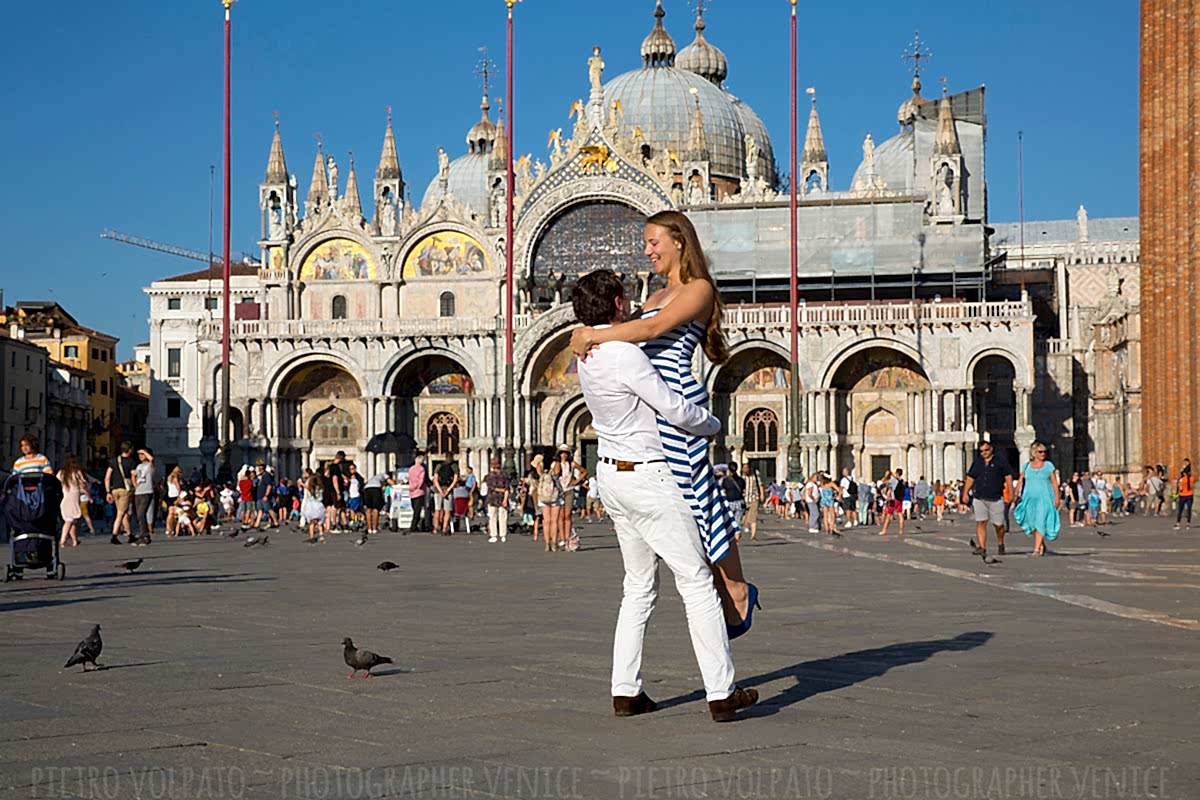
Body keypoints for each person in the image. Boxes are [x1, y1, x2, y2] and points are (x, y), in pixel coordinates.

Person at [572, 268, 757, 721]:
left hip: (611, 478)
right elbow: (671, 407)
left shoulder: (587, 355)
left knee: (637, 586)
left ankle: (625, 690)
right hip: (648, 478)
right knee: (695, 582)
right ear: (618, 303)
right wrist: (712, 425)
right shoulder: (624, 355)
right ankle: (721, 692)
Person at [569, 210, 754, 633]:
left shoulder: (699, 290)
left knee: (698, 495)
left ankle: (737, 591)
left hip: (677, 402)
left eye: (654, 242)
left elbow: (651, 331)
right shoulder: (651, 296)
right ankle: (716, 590)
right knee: (681, 504)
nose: (647, 250)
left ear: (679, 242)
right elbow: (628, 332)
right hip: (648, 403)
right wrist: (589, 331)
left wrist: (592, 335)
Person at [961, 443, 1014, 557]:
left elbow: (1008, 476)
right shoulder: (977, 462)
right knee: (981, 522)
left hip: (996, 497)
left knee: (998, 524)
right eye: (981, 451)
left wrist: (1011, 492)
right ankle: (982, 547)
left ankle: (1000, 542)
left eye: (986, 450)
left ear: (991, 449)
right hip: (979, 497)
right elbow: (970, 477)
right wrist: (965, 492)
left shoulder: (1001, 461)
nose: (984, 452)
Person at [1013, 442, 1061, 556]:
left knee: (1040, 520)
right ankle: (1040, 544)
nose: (1043, 454)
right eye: (1040, 452)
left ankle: (1036, 549)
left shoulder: (1049, 466)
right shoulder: (1026, 466)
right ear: (1034, 453)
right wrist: (1015, 493)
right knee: (1032, 523)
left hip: (1045, 497)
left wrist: (1057, 497)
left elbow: (1054, 482)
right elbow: (1021, 480)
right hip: (1029, 497)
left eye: (1044, 452)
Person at [105, 441, 137, 545]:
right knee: (120, 514)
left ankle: (130, 535)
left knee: (124, 513)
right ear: (130, 450)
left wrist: (108, 492)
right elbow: (133, 477)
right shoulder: (131, 462)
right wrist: (136, 487)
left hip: (114, 490)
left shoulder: (113, 461)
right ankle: (114, 536)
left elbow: (107, 477)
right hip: (124, 490)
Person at [57, 454, 87, 548]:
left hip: (64, 496)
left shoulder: (61, 473)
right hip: (74, 496)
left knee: (71, 520)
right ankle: (63, 540)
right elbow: (83, 483)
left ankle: (75, 540)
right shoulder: (76, 472)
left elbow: (56, 482)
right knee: (70, 520)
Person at [131, 447, 157, 545]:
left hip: (147, 491)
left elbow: (152, 459)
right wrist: (135, 485)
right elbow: (134, 475)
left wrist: (144, 452)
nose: (141, 456)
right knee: (139, 515)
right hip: (138, 492)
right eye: (140, 454)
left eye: (143, 454)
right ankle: (142, 535)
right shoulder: (139, 466)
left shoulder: (150, 465)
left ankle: (145, 535)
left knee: (142, 513)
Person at [484, 457, 512, 543]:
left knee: (492, 517)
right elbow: (507, 488)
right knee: (503, 517)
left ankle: (494, 535)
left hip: (492, 498)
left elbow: (491, 487)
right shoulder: (505, 475)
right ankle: (503, 535)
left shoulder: (489, 476)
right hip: (502, 498)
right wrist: (505, 498)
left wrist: (499, 490)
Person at [432, 459, 458, 535]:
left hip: (438, 491)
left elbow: (435, 480)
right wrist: (448, 490)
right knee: (447, 511)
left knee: (437, 510)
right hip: (448, 491)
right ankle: (444, 528)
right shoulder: (454, 466)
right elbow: (455, 480)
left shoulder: (439, 466)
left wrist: (440, 490)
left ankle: (435, 529)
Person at [879, 468, 908, 536]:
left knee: (888, 515)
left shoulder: (893, 480)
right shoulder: (902, 481)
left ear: (897, 473)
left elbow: (883, 481)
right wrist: (893, 475)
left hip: (893, 499)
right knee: (900, 514)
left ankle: (884, 530)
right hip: (900, 500)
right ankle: (901, 530)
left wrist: (886, 475)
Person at [302, 473, 326, 543]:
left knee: (312, 523)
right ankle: (321, 535)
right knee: (319, 523)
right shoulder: (321, 488)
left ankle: (312, 537)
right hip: (319, 505)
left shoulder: (311, 488)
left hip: (311, 505)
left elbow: (306, 487)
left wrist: (301, 483)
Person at [740, 464, 762, 540]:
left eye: (747, 468)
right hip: (744, 499)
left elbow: (760, 485)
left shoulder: (755, 475)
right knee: (743, 516)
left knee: (753, 518)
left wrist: (762, 495)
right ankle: (745, 526)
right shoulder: (740, 477)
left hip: (754, 498)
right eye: (744, 468)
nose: (745, 469)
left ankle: (753, 535)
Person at [408, 455, 428, 533]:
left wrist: (411, 487)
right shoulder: (422, 469)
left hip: (411, 491)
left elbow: (409, 478)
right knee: (417, 510)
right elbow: (421, 480)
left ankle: (415, 524)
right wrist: (417, 487)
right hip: (419, 491)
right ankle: (413, 526)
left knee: (414, 508)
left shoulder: (411, 468)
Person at [363, 469, 388, 535]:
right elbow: (391, 482)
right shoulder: (384, 475)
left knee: (368, 509)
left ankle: (369, 528)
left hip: (367, 489)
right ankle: (374, 528)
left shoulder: (373, 477)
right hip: (376, 489)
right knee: (375, 509)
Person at [1175, 466, 1194, 530]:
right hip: (1190, 495)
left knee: (1180, 510)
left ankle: (1178, 523)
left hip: (1182, 495)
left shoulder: (1182, 479)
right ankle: (1188, 524)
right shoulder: (1192, 478)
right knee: (1189, 510)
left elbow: (1180, 488)